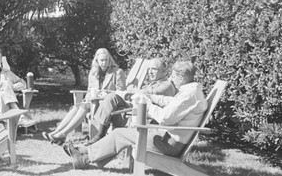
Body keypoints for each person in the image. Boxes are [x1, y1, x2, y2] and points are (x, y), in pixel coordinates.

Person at [64, 60, 208, 169]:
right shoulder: (191, 92)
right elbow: (170, 101)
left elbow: (165, 118)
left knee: (120, 134)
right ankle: (84, 155)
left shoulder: (189, 95)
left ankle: (83, 158)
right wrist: (151, 98)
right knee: (126, 134)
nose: (171, 79)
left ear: (181, 78)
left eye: (173, 76)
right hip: (168, 139)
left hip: (169, 144)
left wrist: (148, 105)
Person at [42, 48, 126, 144]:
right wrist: (88, 97)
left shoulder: (117, 72)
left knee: (84, 106)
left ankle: (63, 135)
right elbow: (89, 90)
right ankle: (56, 132)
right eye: (101, 60)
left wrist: (106, 94)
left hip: (108, 105)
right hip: (93, 102)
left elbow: (121, 92)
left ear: (110, 60)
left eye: (106, 60)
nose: (104, 63)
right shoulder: (93, 73)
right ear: (97, 61)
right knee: (76, 107)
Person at [87, 58, 175, 145]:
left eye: (154, 69)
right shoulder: (152, 83)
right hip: (136, 106)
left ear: (164, 71)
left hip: (144, 111)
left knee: (112, 99)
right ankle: (101, 134)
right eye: (149, 69)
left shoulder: (166, 85)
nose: (150, 72)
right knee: (111, 97)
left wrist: (133, 90)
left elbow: (149, 94)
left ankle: (101, 136)